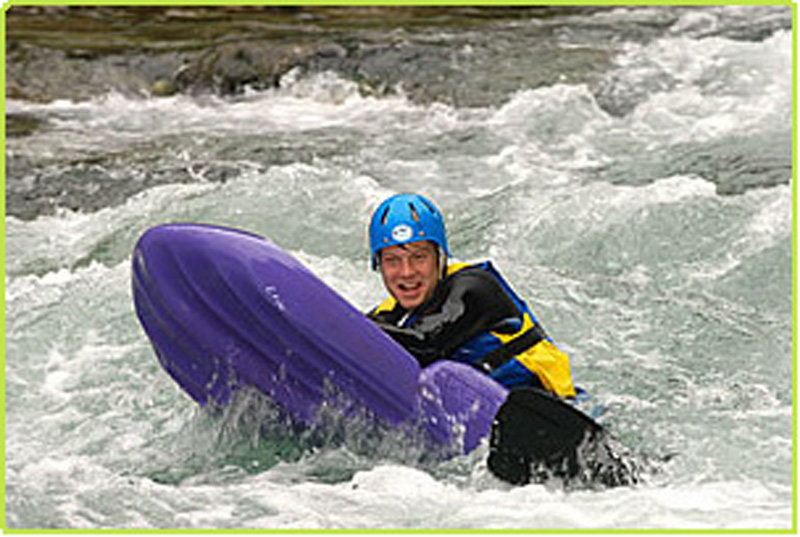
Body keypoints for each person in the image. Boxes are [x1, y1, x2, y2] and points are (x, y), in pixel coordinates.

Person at [366, 192, 576, 399]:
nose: (407, 272)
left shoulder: (475, 288)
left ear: (440, 257)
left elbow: (425, 343)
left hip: (552, 407)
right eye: (392, 260)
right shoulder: (392, 312)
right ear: (379, 266)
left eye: (419, 257)